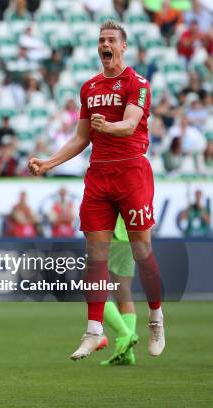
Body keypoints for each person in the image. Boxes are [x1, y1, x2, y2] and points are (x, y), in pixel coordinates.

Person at [28, 20, 165, 361]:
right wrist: (49, 163)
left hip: (132, 171)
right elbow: (81, 137)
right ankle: (93, 331)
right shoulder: (89, 87)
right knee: (95, 255)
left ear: (123, 46)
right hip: (99, 176)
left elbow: (131, 123)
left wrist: (112, 126)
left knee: (143, 254)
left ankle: (156, 317)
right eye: (101, 40)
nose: (105, 44)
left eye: (111, 40)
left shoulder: (138, 83)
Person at [100, 215, 139, 366]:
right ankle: (126, 353)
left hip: (112, 234)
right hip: (131, 235)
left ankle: (125, 334)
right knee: (123, 292)